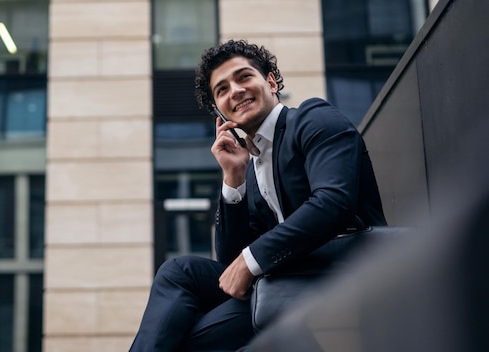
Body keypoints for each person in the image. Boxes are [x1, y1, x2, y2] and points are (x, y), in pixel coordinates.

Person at [129, 39, 387, 352]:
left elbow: (333, 203)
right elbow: (229, 265)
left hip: (334, 271)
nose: (234, 91)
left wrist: (252, 261)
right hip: (278, 280)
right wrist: (234, 178)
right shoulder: (251, 167)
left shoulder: (312, 119)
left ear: (270, 81)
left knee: (179, 342)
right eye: (222, 90)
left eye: (243, 77)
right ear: (219, 112)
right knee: (178, 271)